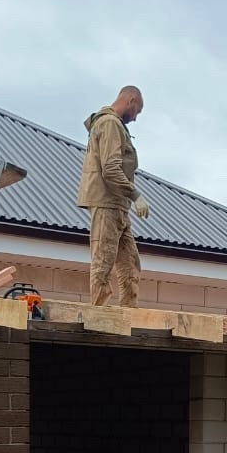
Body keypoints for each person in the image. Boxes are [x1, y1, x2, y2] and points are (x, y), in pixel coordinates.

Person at [77, 86, 150, 308]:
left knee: (130, 263)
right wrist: (135, 194)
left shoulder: (115, 126)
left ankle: (128, 313)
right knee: (104, 261)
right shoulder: (109, 124)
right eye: (137, 111)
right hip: (107, 202)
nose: (136, 118)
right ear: (131, 100)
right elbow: (110, 169)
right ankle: (100, 315)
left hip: (118, 205)